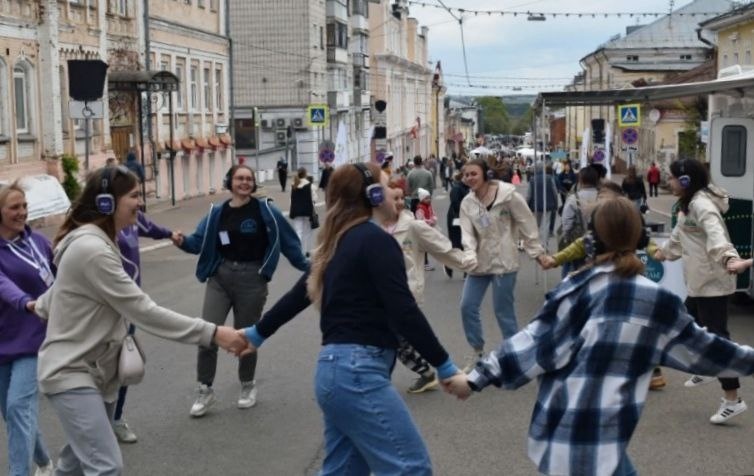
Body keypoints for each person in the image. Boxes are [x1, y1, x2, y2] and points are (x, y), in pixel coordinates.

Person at [443, 197, 754, 476]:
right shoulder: (659, 303)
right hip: (598, 443)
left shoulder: (575, 289)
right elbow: (709, 352)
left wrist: (474, 380)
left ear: (590, 241)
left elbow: (532, 343)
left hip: (563, 436)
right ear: (640, 239)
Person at [237, 163, 460, 475]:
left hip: (334, 372)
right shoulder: (375, 240)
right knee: (410, 467)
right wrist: (446, 366)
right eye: (385, 185)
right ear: (372, 194)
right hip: (358, 373)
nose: (395, 192)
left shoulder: (338, 240)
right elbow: (404, 310)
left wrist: (258, 333)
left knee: (343, 471)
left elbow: (299, 294)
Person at [34, 166, 244, 475]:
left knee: (74, 463)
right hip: (71, 371)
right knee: (106, 465)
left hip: (95, 372)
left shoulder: (98, 242)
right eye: (134, 196)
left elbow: (55, 297)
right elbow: (144, 311)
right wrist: (212, 333)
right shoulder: (93, 249)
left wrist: (38, 306)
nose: (140, 203)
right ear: (107, 202)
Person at [178, 164, 309, 417]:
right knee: (207, 332)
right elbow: (197, 242)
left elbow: (290, 242)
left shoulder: (266, 210)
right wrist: (181, 241)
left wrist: (309, 267)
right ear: (231, 182)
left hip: (252, 279)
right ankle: (205, 389)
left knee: (246, 335)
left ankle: (247, 385)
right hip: (220, 277)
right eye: (240, 178)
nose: (245, 183)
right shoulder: (217, 213)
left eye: (249, 179)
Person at [653, 158, 750, 424]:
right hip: (699, 283)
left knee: (718, 340)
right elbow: (678, 238)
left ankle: (733, 399)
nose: (668, 181)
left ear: (685, 181)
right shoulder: (687, 205)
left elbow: (717, 236)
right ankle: (706, 367)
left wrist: (730, 258)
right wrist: (660, 253)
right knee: (688, 327)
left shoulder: (702, 205)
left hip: (713, 283)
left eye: (671, 178)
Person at [383, 183, 476, 393]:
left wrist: (469, 263)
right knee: (397, 337)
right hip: (381, 294)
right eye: (393, 198)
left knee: (394, 336)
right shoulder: (375, 226)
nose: (398, 203)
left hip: (406, 290)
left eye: (401, 198)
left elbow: (442, 247)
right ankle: (426, 371)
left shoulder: (413, 226)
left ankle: (427, 372)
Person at [458, 158, 548, 371]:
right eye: (466, 175)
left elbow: (527, 223)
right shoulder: (467, 203)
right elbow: (467, 233)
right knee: (467, 306)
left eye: (473, 174)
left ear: (485, 174)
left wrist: (536, 252)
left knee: (503, 311)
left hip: (505, 262)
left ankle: (515, 356)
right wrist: (469, 254)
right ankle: (477, 350)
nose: (469, 178)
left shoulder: (508, 196)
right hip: (479, 263)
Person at [111, 210, 182, 444]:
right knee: (99, 369)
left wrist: (170, 234)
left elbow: (149, 227)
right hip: (105, 306)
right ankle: (98, 422)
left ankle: (116, 418)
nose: (138, 202)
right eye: (132, 194)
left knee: (124, 366)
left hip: (129, 306)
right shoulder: (96, 222)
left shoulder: (133, 217)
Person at [0, 183, 54, 476]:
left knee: (19, 407)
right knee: (12, 414)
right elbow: (2, 285)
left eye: (24, 206)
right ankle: (44, 461)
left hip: (35, 338)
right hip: (3, 340)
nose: (22, 213)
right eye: (14, 208)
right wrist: (25, 302)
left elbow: (64, 277)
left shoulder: (40, 243)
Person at [558, 166, 600, 276]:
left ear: (580, 180)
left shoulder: (574, 198)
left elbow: (566, 222)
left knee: (571, 270)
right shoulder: (603, 197)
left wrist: (566, 237)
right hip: (600, 242)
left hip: (578, 241)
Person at [526, 162, 559, 244]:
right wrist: (556, 203)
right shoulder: (549, 178)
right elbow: (555, 192)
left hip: (535, 206)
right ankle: (544, 244)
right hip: (548, 205)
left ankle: (536, 243)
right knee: (546, 224)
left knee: (536, 225)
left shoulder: (532, 179)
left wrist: (526, 205)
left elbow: (528, 195)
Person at [445, 171, 469, 278]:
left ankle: (466, 271)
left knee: (466, 244)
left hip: (465, 219)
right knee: (456, 245)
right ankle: (448, 264)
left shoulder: (468, 188)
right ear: (462, 177)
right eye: (467, 176)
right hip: (455, 219)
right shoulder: (456, 188)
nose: (469, 178)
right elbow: (455, 204)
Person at [290, 167, 317, 257]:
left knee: (298, 232)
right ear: (305, 174)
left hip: (296, 211)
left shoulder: (293, 185)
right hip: (307, 211)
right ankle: (305, 251)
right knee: (307, 232)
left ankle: (298, 251)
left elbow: (291, 199)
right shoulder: (310, 185)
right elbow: (314, 199)